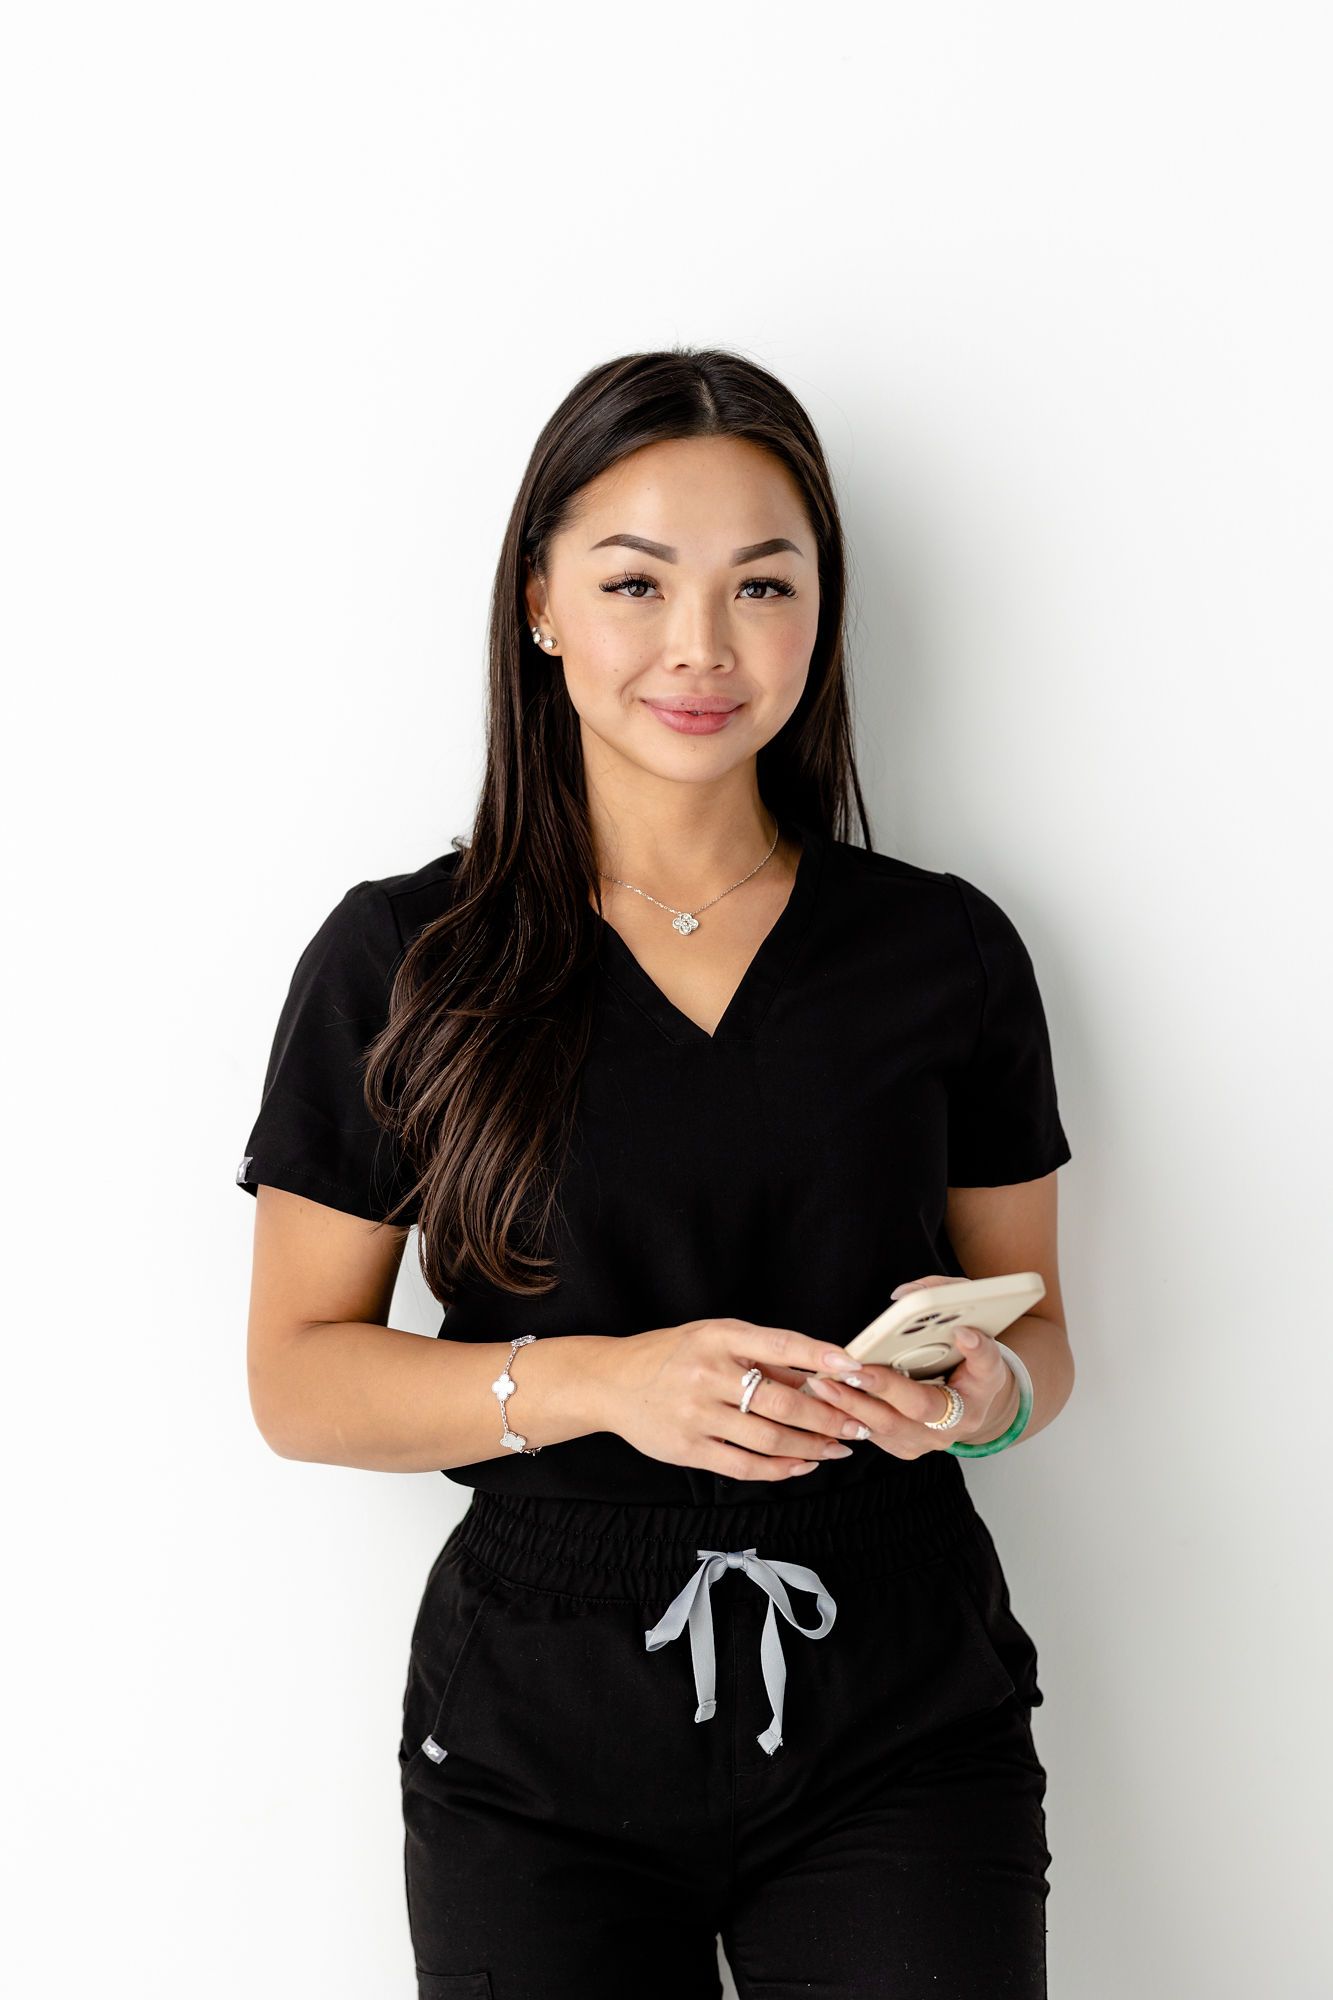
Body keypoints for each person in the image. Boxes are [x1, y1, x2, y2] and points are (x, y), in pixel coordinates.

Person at [235, 347, 1074, 2000]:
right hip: (536, 1723)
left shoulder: (942, 951)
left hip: (898, 1695)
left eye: (764, 584)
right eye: (636, 582)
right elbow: (298, 1380)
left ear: (820, 614)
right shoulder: (405, 956)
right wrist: (610, 1384)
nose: (700, 646)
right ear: (540, 601)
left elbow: (1042, 1343)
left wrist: (980, 1396)